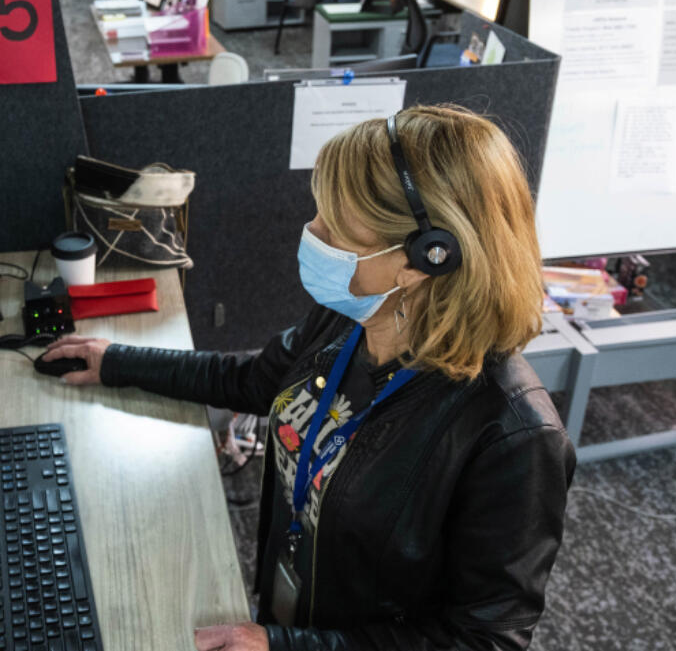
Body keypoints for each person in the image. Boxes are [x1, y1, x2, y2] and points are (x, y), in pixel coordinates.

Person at [42, 105, 575, 651]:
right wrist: (117, 361)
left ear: (425, 259)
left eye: (335, 228)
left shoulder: (515, 437)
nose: (311, 234)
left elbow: (484, 641)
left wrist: (289, 647)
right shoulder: (353, 315)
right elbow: (255, 381)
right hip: (282, 614)